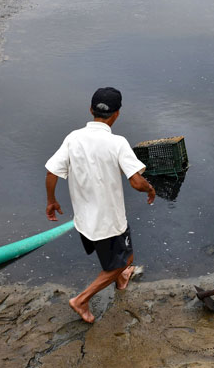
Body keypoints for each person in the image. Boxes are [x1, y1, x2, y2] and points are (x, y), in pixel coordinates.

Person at [45, 87, 156, 324]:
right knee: (126, 259)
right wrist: (150, 188)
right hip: (111, 221)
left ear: (90, 109)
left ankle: (120, 278)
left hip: (84, 219)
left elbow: (52, 171)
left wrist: (51, 201)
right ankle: (82, 299)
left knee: (110, 258)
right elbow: (136, 182)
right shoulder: (117, 142)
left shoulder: (73, 138)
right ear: (117, 114)